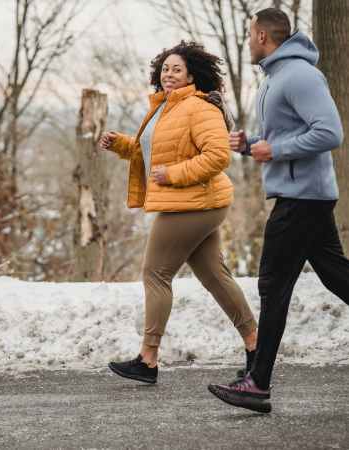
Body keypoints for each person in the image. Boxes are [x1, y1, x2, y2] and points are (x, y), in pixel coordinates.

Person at [208, 8, 347, 414]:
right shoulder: (276, 77)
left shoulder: (300, 75)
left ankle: (258, 383)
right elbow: (286, 134)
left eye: (251, 35)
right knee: (336, 275)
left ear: (264, 36)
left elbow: (329, 131)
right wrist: (252, 143)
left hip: (303, 198)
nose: (249, 41)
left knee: (272, 285)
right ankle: (257, 380)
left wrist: (278, 149)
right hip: (301, 195)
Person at [99, 41, 258, 385]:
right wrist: (121, 145)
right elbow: (156, 151)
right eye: (165, 68)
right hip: (194, 203)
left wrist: (172, 175)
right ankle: (256, 346)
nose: (168, 75)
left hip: (192, 203)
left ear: (192, 75)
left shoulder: (198, 107)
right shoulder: (164, 108)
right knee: (214, 275)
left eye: (177, 70)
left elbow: (218, 156)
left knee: (155, 273)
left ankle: (148, 359)